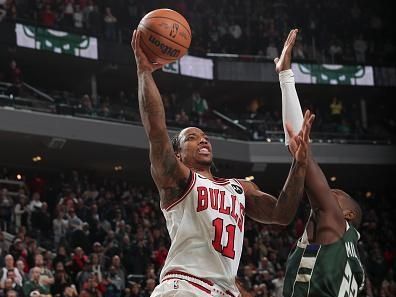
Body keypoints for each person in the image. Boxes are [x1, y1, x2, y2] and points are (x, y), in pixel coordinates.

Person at [131, 29, 314, 297]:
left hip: (223, 291)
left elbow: (281, 214)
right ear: (178, 154)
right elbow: (157, 131)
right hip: (184, 286)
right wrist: (144, 73)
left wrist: (299, 165)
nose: (203, 141)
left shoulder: (239, 188)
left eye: (205, 137)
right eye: (192, 138)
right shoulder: (177, 179)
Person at [274, 29, 365, 297]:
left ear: (346, 216)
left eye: (335, 194)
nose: (327, 192)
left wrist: (285, 76)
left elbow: (303, 154)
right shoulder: (345, 255)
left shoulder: (335, 227)